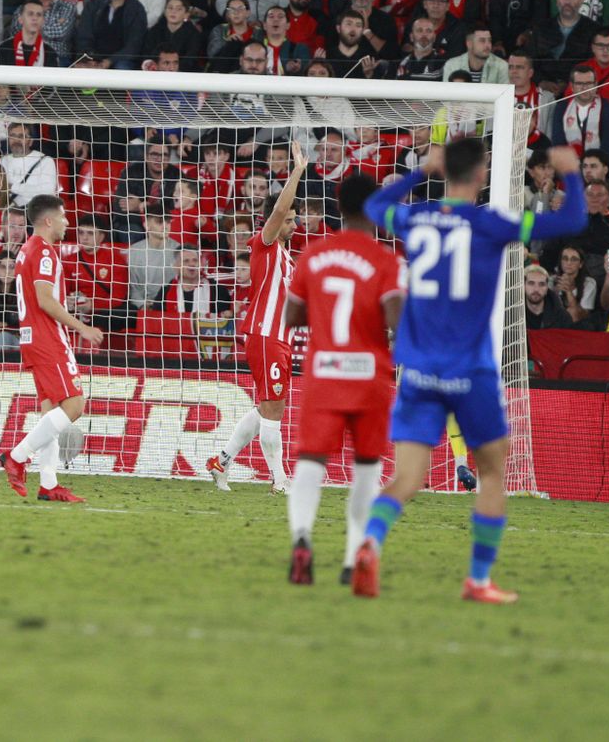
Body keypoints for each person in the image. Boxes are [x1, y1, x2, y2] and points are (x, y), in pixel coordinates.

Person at [354, 142, 587, 603]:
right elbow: (572, 221)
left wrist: (419, 173)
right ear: (481, 174)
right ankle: (478, 579)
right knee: (493, 472)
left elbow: (374, 205)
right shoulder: (491, 223)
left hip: (418, 368)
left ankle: (370, 542)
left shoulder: (415, 217)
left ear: (445, 170)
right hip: (470, 369)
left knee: (406, 478)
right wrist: (572, 175)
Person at [282, 174, 404, 586]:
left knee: (310, 461)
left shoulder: (314, 255)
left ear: (337, 205)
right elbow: (395, 318)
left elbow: (291, 317)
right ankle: (354, 557)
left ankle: (302, 537)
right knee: (367, 468)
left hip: (323, 372)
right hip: (369, 374)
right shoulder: (385, 260)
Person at [207, 144, 306, 495]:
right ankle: (280, 480)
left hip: (279, 339)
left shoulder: (288, 259)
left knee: (266, 407)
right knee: (274, 411)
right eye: (291, 219)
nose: (295, 224)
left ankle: (221, 460)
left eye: (295, 219)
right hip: (264, 336)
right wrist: (297, 170)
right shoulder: (264, 243)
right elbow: (278, 209)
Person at [0, 193, 103, 504]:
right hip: (47, 338)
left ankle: (48, 484)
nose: (67, 222)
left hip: (31, 338)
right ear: (48, 220)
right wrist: (82, 327)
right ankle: (16, 456)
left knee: (51, 412)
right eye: (63, 217)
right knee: (74, 405)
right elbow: (44, 300)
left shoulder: (26, 249)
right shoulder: (43, 251)